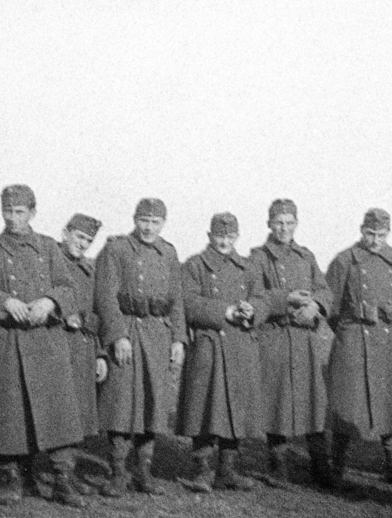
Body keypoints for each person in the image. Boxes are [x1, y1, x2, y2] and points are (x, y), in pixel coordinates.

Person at [0, 185, 85, 506]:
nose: (13, 218)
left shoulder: (49, 248)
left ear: (33, 213)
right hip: (5, 345)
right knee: (9, 414)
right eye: (8, 211)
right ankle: (12, 477)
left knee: (58, 412)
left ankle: (63, 479)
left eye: (19, 212)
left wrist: (50, 300)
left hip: (46, 343)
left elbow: (70, 289)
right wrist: (3, 301)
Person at [94, 198, 186, 497]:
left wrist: (178, 339)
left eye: (155, 221)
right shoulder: (116, 249)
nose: (148, 227)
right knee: (121, 401)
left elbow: (177, 301)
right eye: (143, 220)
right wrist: (117, 335)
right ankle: (118, 472)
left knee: (152, 402)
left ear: (163, 223)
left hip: (158, 334)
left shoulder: (169, 253)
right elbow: (105, 296)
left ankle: (144, 471)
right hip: (128, 331)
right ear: (135, 219)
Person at [326, 208, 392, 487]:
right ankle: (336, 464)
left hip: (387, 340)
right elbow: (331, 308)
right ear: (361, 230)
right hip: (353, 337)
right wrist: (351, 327)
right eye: (370, 234)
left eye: (381, 235)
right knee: (346, 402)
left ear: (388, 233)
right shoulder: (344, 261)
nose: (375, 240)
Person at [249, 199, 332, 488]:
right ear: (269, 224)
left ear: (296, 224)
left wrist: (316, 307)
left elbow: (323, 289)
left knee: (314, 399)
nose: (284, 228)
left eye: (289, 223)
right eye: (278, 223)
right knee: (277, 400)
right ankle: (278, 466)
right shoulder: (259, 257)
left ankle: (321, 467)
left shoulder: (306, 256)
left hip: (304, 339)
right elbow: (256, 296)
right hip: (274, 336)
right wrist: (287, 300)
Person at [177, 213, 263, 492]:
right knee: (203, 406)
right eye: (219, 236)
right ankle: (202, 471)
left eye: (230, 236)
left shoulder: (248, 267)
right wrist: (222, 311)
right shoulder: (194, 265)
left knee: (235, 407)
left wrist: (252, 310)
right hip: (208, 343)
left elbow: (260, 297)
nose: (224, 241)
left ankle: (227, 471)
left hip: (240, 344)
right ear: (209, 236)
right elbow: (187, 302)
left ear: (237, 237)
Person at [55, 212, 104, 503]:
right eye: (79, 236)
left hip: (83, 348)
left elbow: (96, 313)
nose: (82, 244)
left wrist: (99, 353)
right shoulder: (49, 262)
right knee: (58, 411)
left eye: (88, 240)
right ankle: (55, 476)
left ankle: (67, 473)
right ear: (65, 232)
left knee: (78, 414)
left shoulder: (89, 270)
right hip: (55, 346)